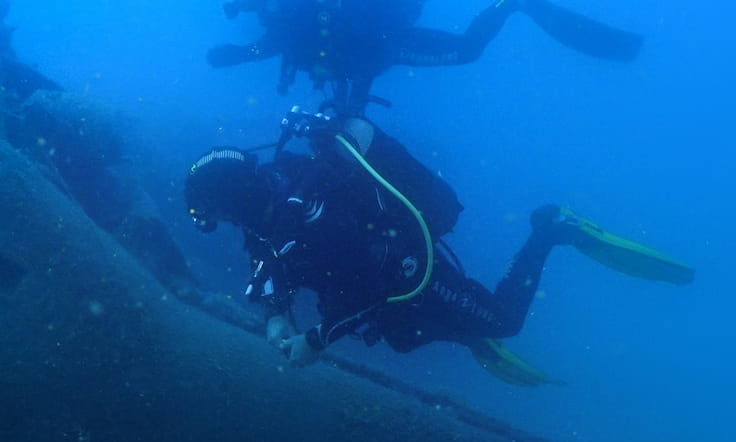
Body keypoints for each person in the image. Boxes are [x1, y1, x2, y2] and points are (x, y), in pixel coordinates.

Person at [183, 111, 693, 371]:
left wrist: (316, 340)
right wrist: (276, 317)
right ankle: (467, 329)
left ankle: (552, 229)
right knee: (405, 339)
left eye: (217, 213)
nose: (222, 223)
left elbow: (370, 286)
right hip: (369, 291)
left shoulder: (308, 209)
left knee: (504, 323)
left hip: (407, 271)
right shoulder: (267, 214)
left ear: (234, 199)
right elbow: (269, 267)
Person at [207, 0, 644, 114]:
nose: (242, 7)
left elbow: (352, 52)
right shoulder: (290, 7)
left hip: (389, 42)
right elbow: (293, 41)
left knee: (469, 50)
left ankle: (514, 0)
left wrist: (354, 107)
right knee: (411, 0)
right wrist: (243, 54)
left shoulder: (301, 1)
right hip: (376, 36)